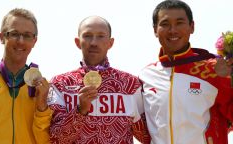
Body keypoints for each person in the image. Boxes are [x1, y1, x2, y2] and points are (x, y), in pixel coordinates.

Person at [139, 0, 233, 144]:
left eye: (179, 23)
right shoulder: (146, 75)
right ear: (155, 30)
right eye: (165, 24)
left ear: (192, 27)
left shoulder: (215, 70)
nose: (173, 30)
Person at [48, 16, 150, 144]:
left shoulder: (130, 85)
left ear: (110, 43)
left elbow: (148, 137)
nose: (94, 43)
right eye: (87, 36)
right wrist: (80, 111)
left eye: (101, 36)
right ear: (77, 42)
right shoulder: (60, 84)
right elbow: (55, 139)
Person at [0, 8, 52, 144]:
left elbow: (45, 141)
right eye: (14, 34)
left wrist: (42, 107)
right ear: (2, 37)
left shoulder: (42, 87)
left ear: (34, 41)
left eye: (27, 35)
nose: (21, 41)